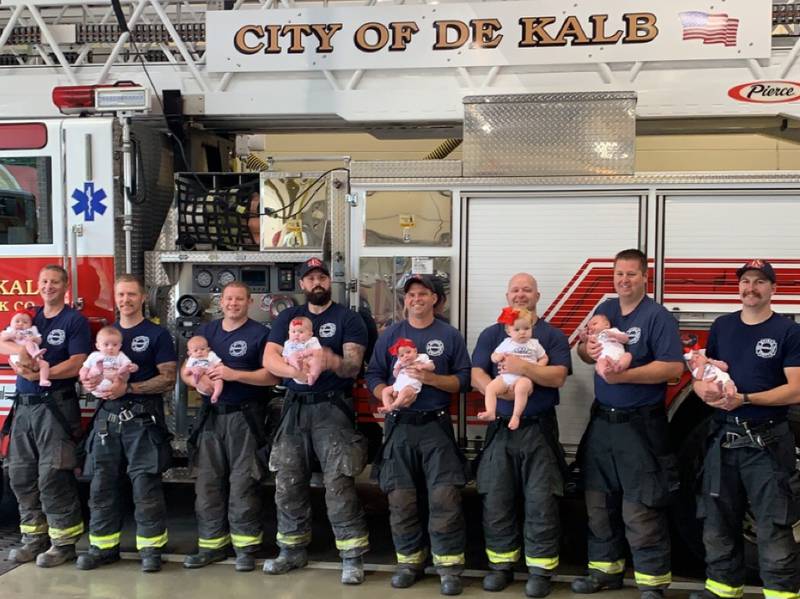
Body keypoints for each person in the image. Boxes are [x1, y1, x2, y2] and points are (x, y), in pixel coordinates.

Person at [573, 249, 684, 599]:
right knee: (598, 502)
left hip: (640, 427)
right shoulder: (605, 309)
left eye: (631, 274)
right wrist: (588, 352)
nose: (624, 280)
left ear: (644, 277)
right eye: (619, 273)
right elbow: (582, 350)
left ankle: (652, 583)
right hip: (603, 421)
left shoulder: (657, 317)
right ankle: (605, 571)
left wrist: (627, 376)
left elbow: (672, 369)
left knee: (641, 506)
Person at [689, 259, 800, 599]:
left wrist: (746, 398)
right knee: (718, 518)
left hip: (766, 441)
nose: (751, 288)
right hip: (724, 439)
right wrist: (701, 390)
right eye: (746, 281)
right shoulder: (722, 326)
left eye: (760, 282)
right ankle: (723, 589)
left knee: (773, 524)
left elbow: (796, 389)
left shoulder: (788, 331)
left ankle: (781, 593)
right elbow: (703, 374)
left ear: (773, 289)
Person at [264, 257, 370, 585]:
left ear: (329, 281)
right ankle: (292, 550)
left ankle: (351, 557)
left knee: (338, 483)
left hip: (332, 409)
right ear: (301, 284)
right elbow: (269, 359)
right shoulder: (288, 318)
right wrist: (296, 371)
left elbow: (353, 367)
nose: (316, 283)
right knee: (287, 481)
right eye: (310, 278)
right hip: (294, 407)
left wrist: (330, 360)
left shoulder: (349, 319)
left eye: (321, 276)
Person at [366, 274, 472, 596]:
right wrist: (384, 393)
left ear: (435, 299)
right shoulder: (390, 336)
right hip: (399, 426)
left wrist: (431, 379)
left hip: (435, 427)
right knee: (400, 499)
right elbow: (373, 374)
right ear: (405, 300)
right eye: (411, 294)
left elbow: (463, 381)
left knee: (444, 497)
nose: (416, 299)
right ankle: (410, 563)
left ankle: (449, 567)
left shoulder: (449, 335)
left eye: (423, 294)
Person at [471, 273, 571, 597]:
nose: (520, 294)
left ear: (537, 295)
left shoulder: (551, 335)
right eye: (515, 289)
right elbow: (476, 373)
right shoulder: (492, 333)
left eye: (527, 289)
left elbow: (557, 376)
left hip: (538, 428)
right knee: (497, 498)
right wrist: (499, 395)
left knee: (541, 500)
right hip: (500, 430)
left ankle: (540, 571)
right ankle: (502, 566)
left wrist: (523, 369)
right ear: (507, 295)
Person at [77, 274, 177, 573]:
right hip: (107, 421)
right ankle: (103, 548)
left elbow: (169, 378)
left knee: (145, 485)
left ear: (143, 297)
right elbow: (85, 378)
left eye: (131, 294)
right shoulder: (106, 334)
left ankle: (150, 549)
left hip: (141, 420)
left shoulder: (157, 335)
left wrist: (129, 389)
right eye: (120, 295)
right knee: (101, 486)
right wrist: (89, 382)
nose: (125, 300)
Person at [182, 281, 277, 572]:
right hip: (211, 416)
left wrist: (234, 375)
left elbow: (272, 377)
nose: (233, 304)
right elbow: (186, 371)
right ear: (219, 302)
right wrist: (198, 381)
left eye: (239, 299)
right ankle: (211, 546)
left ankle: (245, 548)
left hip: (246, 418)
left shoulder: (261, 334)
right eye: (228, 299)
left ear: (249, 302)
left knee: (243, 483)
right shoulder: (206, 333)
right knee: (207, 483)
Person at [0, 265, 90, 567]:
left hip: (56, 405)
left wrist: (39, 371)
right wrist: (21, 360)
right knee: (21, 474)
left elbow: (78, 363)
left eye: (54, 282)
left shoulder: (74, 320)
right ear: (38, 286)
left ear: (65, 287)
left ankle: (63, 543)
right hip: (24, 406)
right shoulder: (30, 317)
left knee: (53, 475)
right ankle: (33, 539)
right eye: (44, 282)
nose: (48, 286)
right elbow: (3, 340)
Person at [478, 306, 549, 431]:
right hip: (505, 377)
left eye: (526, 328)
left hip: (525, 378)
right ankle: (490, 411)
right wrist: (497, 357)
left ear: (532, 327)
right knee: (490, 388)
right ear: (508, 331)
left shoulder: (534, 344)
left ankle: (516, 416)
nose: (522, 332)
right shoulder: (506, 343)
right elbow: (493, 356)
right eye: (517, 329)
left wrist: (537, 366)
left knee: (521, 389)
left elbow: (544, 358)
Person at [378, 337, 435, 413]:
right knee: (385, 391)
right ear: (398, 357)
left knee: (404, 393)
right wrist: (397, 369)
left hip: (411, 386)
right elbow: (395, 375)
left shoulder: (422, 357)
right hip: (398, 385)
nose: (405, 356)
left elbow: (432, 366)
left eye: (408, 352)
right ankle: (387, 406)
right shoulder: (400, 362)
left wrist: (422, 366)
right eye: (402, 355)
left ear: (415, 351)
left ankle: (395, 405)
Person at [80, 326, 139, 398]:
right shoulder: (94, 355)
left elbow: (128, 364)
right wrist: (83, 377)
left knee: (122, 375)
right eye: (106, 344)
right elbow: (85, 368)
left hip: (114, 384)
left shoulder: (120, 355)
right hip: (96, 384)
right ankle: (98, 371)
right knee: (93, 373)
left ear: (120, 346)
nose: (110, 347)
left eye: (115, 345)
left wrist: (133, 367)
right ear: (98, 346)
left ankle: (117, 374)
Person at [2, 308, 51, 387]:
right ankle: (34, 353)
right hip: (18, 358)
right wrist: (13, 335)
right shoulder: (10, 330)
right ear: (11, 323)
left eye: (25, 322)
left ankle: (43, 379)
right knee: (28, 344)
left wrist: (33, 339)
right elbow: (2, 338)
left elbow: (39, 340)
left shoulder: (32, 331)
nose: (21, 324)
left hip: (35, 360)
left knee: (45, 364)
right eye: (17, 321)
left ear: (30, 324)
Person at [584, 313, 633, 379]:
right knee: (599, 364)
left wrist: (616, 336)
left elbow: (626, 339)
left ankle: (620, 366)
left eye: (594, 324)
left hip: (620, 356)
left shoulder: (613, 330)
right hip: (604, 358)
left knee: (628, 355)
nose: (591, 328)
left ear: (606, 325)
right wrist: (585, 338)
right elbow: (588, 343)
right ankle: (605, 374)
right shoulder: (595, 336)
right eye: (589, 329)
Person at [281, 316, 323, 385]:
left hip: (310, 363)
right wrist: (286, 359)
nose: (296, 334)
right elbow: (285, 355)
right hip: (296, 368)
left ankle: (312, 376)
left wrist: (309, 357)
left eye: (301, 332)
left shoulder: (312, 341)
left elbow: (318, 352)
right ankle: (298, 366)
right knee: (292, 358)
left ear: (310, 334)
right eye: (293, 332)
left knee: (316, 362)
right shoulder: (288, 344)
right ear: (289, 333)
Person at [183, 335, 223, 403]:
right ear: (189, 353)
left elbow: (220, 364)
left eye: (202, 349)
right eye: (195, 350)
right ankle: (197, 379)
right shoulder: (192, 359)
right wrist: (192, 369)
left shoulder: (211, 355)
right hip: (200, 381)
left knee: (219, 380)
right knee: (196, 373)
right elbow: (185, 372)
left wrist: (214, 367)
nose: (199, 352)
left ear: (208, 349)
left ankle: (215, 395)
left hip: (211, 376)